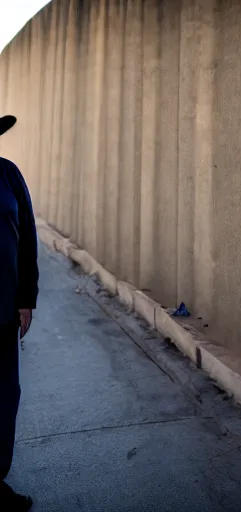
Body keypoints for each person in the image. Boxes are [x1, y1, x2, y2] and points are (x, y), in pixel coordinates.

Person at [0, 115, 39, 512]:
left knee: (5, 395)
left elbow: (27, 238)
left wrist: (27, 298)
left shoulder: (8, 175)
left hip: (3, 312)